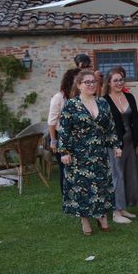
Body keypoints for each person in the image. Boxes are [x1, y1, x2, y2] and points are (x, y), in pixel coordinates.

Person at [58, 70, 121, 236]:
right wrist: (64, 151)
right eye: (87, 82)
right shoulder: (71, 105)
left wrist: (116, 145)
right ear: (79, 85)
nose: (91, 84)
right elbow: (64, 130)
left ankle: (101, 217)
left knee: (101, 185)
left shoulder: (102, 103)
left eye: (93, 81)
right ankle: (85, 220)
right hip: (78, 154)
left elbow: (110, 127)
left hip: (99, 152)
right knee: (82, 188)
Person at [103, 67, 138, 224]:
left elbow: (135, 120)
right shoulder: (104, 100)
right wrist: (114, 144)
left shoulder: (129, 96)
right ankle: (115, 212)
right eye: (115, 80)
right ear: (109, 82)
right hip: (115, 144)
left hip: (130, 143)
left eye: (121, 79)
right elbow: (106, 125)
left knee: (129, 173)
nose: (119, 83)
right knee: (117, 175)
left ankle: (123, 207)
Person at [48, 67, 81, 195]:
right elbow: (51, 122)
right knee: (65, 168)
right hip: (62, 136)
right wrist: (53, 141)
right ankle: (66, 196)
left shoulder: (80, 97)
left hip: (78, 136)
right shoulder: (59, 98)